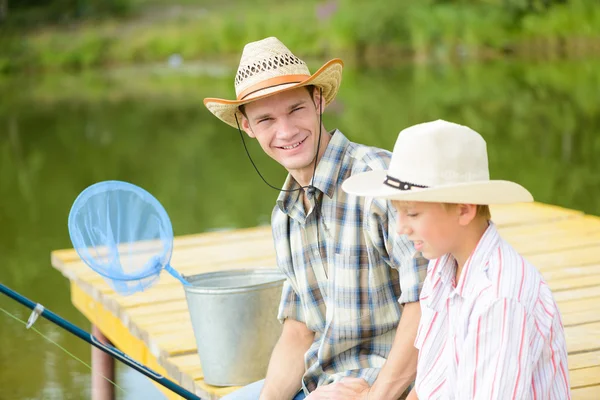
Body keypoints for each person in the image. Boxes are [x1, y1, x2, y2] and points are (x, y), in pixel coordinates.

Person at [203, 37, 428, 399]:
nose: (287, 131)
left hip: (403, 384)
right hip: (326, 386)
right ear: (247, 127)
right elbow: (298, 332)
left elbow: (428, 305)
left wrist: (376, 397)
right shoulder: (286, 214)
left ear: (319, 101)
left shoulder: (379, 180)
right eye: (266, 119)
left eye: (296, 109)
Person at [342, 119, 571, 399]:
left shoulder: (498, 298)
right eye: (397, 212)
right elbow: (427, 386)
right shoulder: (444, 265)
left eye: (412, 214)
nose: (400, 227)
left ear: (463, 210)